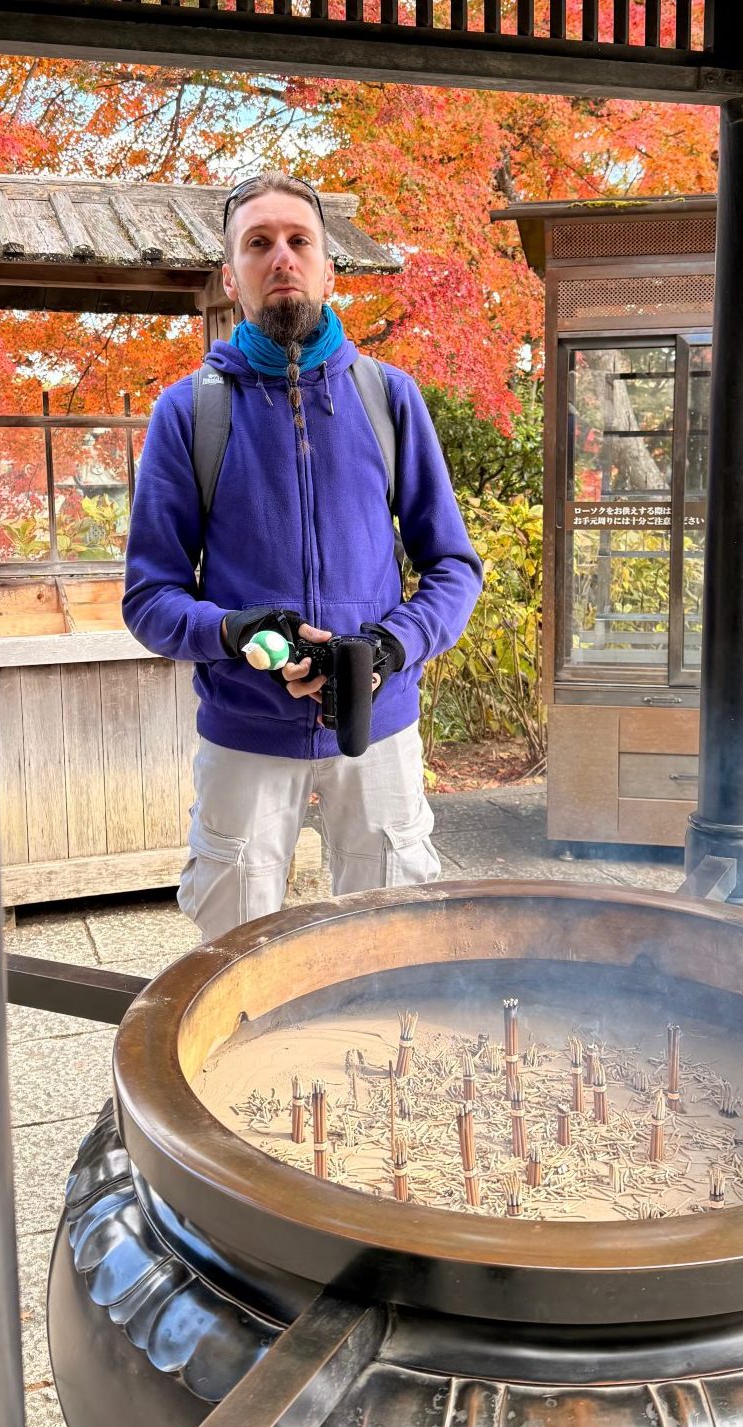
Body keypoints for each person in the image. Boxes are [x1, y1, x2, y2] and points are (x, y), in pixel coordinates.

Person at [123, 171, 482, 942]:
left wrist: (391, 643)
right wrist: (233, 631)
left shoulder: (388, 399)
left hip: (377, 725)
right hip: (245, 730)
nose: (279, 256)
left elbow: (452, 566)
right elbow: (149, 596)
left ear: (327, 267)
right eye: (257, 244)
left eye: (298, 241)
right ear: (231, 275)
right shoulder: (191, 411)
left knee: (389, 945)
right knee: (233, 953)